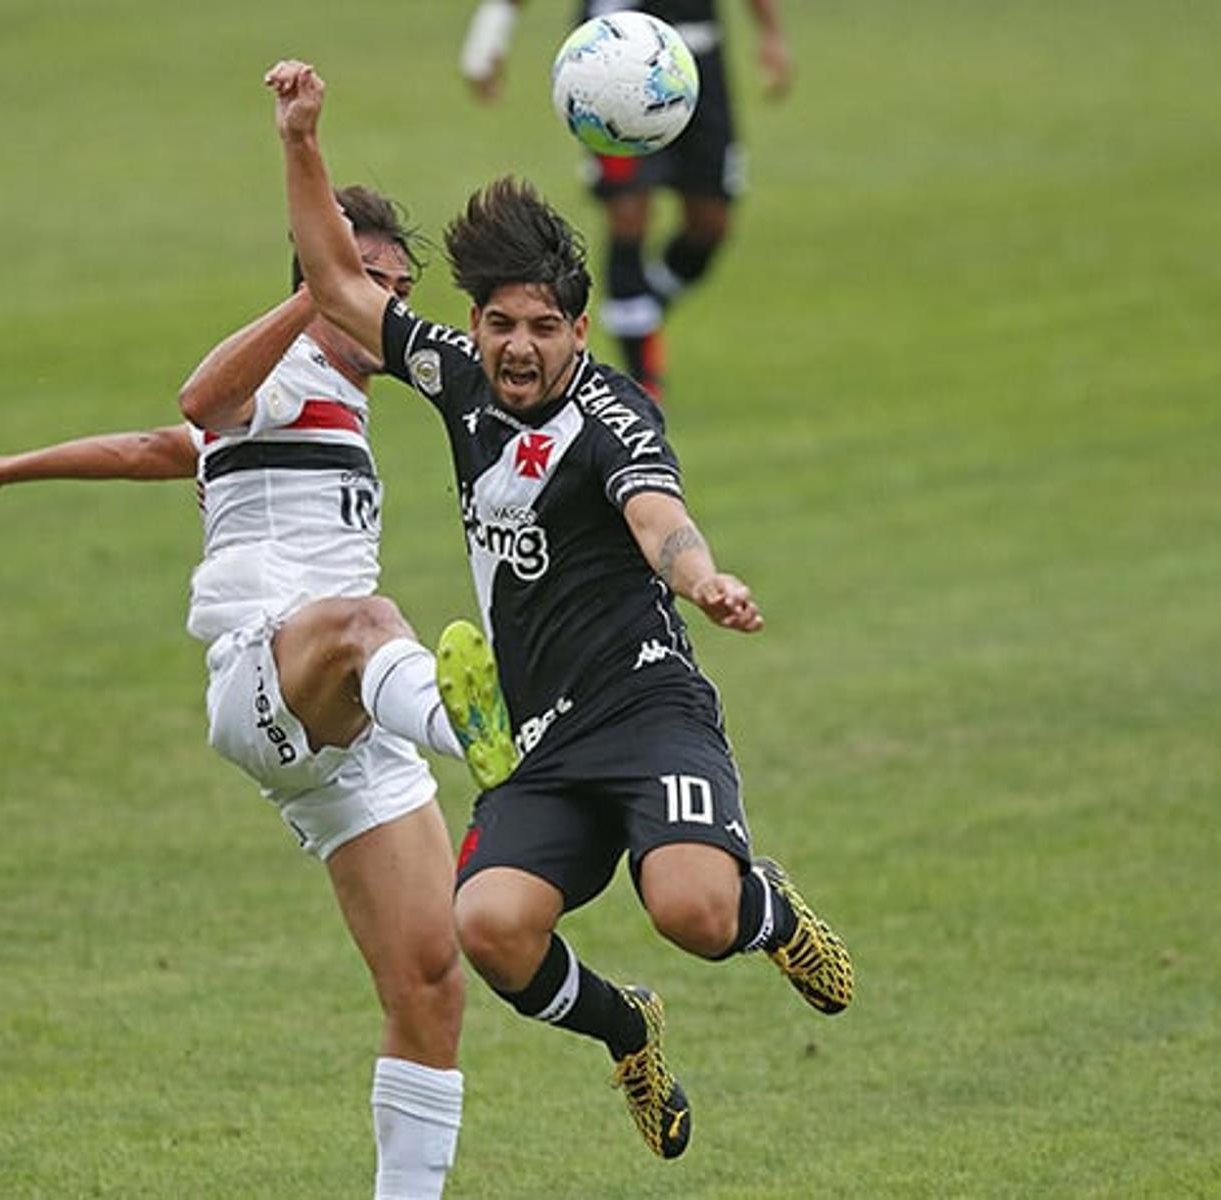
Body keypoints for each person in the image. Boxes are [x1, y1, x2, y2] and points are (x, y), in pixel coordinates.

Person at [268, 60, 851, 1162]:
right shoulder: (456, 380)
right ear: (474, 325)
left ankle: (763, 910)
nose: (519, 347)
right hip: (541, 743)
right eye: (498, 324)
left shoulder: (611, 413)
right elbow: (340, 289)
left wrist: (702, 578)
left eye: (542, 326)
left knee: (695, 911)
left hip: (647, 713)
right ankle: (626, 1028)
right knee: (485, 929)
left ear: (578, 332)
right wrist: (302, 140)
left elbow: (655, 515)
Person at [0, 193, 519, 1200]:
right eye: (374, 285)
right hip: (265, 676)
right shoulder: (280, 375)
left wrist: (2, 471)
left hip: (343, 733)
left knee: (431, 981)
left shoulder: (339, 401)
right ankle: (478, 734)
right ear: (325, 278)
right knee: (369, 621)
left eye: (400, 293)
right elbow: (200, 400)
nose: (391, 310)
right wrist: (312, 273)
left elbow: (158, 448)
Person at [458, 0, 794, 399]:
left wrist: (770, 32)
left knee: (710, 225)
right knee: (629, 212)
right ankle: (644, 383)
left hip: (694, 66)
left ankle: (638, 305)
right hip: (613, 67)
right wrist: (489, 35)